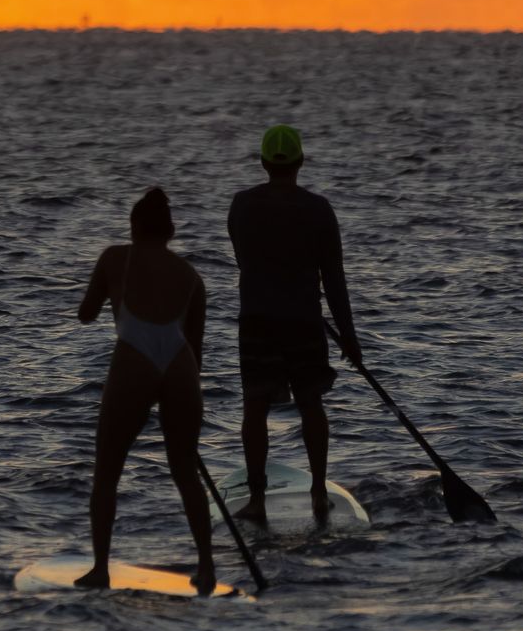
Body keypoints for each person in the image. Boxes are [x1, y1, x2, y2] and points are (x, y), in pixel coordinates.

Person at [75, 188, 215, 593]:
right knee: (185, 472)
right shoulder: (192, 277)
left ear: (134, 228)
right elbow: (197, 349)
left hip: (134, 358)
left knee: (107, 471)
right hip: (180, 366)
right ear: (170, 231)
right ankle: (206, 568)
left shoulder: (114, 258)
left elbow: (85, 315)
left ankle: (101, 569)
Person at [227, 123, 362, 523]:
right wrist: (349, 339)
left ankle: (255, 499)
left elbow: (244, 260)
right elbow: (334, 279)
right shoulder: (319, 209)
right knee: (310, 403)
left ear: (264, 162)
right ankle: (318, 490)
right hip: (304, 321)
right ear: (300, 161)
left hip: (257, 321)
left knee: (255, 405)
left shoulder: (241, 205)